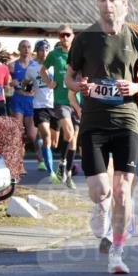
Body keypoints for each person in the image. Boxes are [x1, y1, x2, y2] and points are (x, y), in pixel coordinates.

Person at [66, 0, 138, 275]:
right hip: (94, 123)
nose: (106, 5)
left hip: (127, 121)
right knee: (101, 190)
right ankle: (100, 206)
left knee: (122, 190)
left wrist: (136, 86)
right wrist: (79, 85)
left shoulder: (137, 38)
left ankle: (117, 252)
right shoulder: (84, 39)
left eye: (111, 0)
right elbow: (69, 79)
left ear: (124, 4)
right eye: (101, 0)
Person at [42, 25, 78, 188]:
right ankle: (63, 162)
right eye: (62, 35)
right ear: (59, 37)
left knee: (73, 140)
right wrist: (49, 82)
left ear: (73, 36)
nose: (64, 38)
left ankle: (68, 173)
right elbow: (43, 70)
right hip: (61, 101)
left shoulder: (78, 54)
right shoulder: (54, 54)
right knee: (68, 132)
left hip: (77, 101)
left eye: (67, 35)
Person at [28, 40, 58, 180]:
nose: (44, 52)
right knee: (46, 135)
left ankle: (43, 148)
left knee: (54, 142)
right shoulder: (32, 68)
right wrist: (26, 87)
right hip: (40, 106)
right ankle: (51, 171)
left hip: (55, 105)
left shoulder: (54, 66)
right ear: (37, 51)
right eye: (41, 50)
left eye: (47, 50)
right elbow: (25, 84)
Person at [8, 40, 39, 151]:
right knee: (17, 131)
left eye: (29, 47)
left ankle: (39, 158)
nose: (26, 49)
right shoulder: (12, 65)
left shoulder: (36, 65)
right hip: (18, 100)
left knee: (32, 135)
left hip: (31, 100)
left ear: (31, 49)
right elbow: (6, 83)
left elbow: (41, 82)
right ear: (19, 49)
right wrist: (11, 83)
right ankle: (19, 162)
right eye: (24, 47)